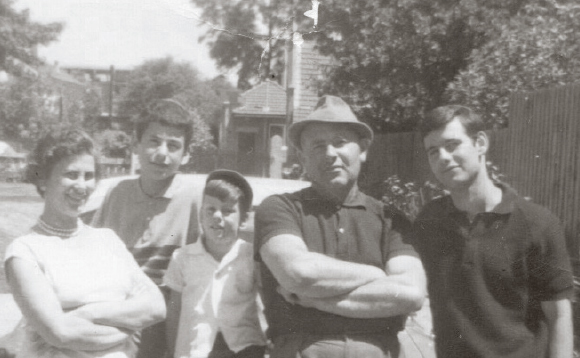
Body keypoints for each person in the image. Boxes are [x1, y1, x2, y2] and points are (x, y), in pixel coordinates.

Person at [254, 95, 427, 358]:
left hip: (378, 351)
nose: (329, 154)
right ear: (302, 157)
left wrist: (312, 298)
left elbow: (411, 293)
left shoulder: (392, 219)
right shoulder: (280, 208)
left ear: (363, 148)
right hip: (303, 350)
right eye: (317, 145)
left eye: (340, 142)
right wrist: (378, 275)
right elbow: (299, 273)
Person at [413, 105, 574, 358]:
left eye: (452, 144)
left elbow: (559, 315)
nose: (443, 157)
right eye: (433, 151)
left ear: (480, 143)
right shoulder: (429, 221)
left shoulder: (538, 224)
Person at [4, 129, 166, 358]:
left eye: (89, 176)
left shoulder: (108, 241)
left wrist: (86, 314)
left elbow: (156, 307)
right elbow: (59, 333)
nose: (82, 186)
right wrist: (128, 327)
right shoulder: (25, 253)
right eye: (71, 174)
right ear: (42, 178)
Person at [91, 98, 201, 358]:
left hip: (168, 316)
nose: (162, 153)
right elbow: (92, 254)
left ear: (185, 155)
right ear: (136, 145)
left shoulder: (194, 198)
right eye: (153, 141)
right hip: (120, 312)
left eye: (173, 145)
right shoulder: (117, 194)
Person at [164, 170, 267, 358]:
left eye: (228, 211)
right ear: (201, 214)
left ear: (243, 219)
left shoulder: (252, 256)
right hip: (195, 350)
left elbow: (265, 304)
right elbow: (174, 313)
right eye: (210, 209)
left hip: (244, 349)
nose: (217, 216)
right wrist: (173, 353)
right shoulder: (182, 258)